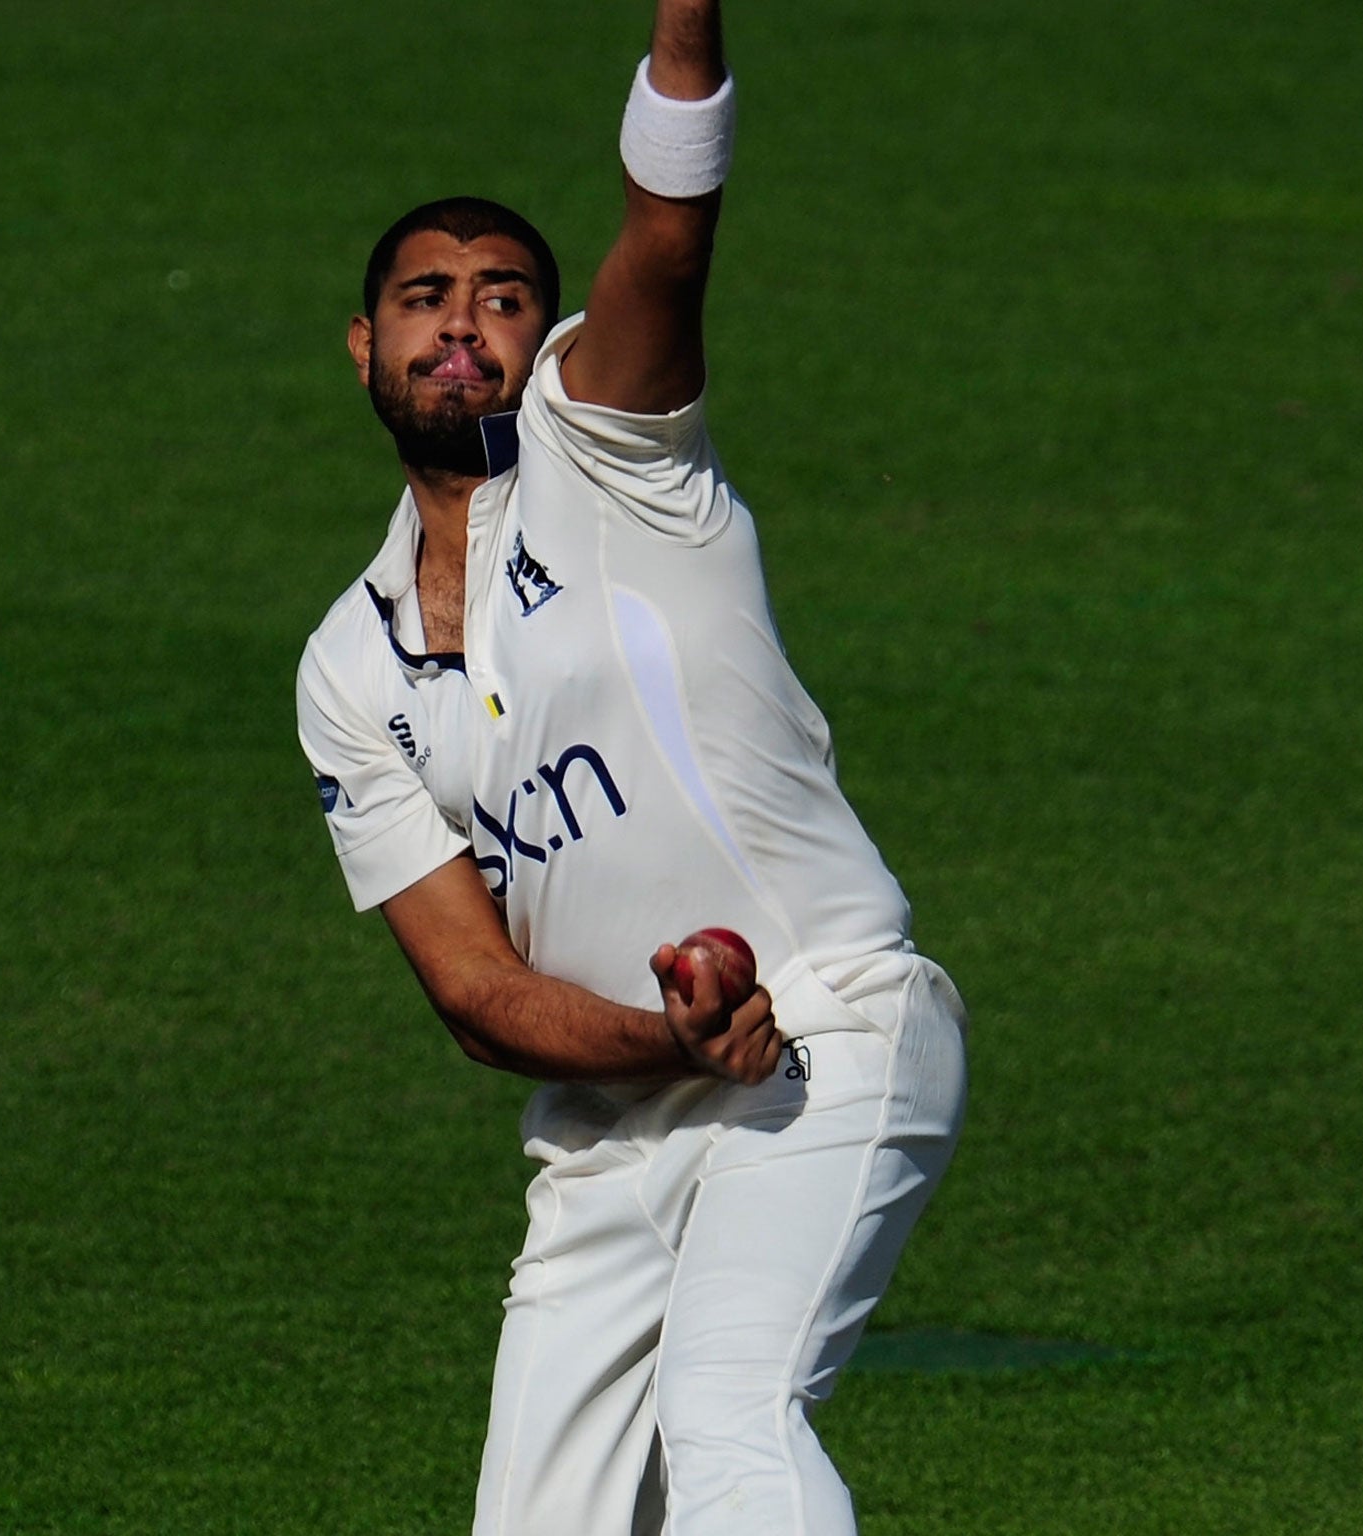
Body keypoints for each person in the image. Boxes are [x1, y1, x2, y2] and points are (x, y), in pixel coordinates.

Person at [294, 3, 967, 1531]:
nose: (462, 322)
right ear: (366, 345)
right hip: (611, 1130)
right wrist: (664, 1044)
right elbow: (474, 997)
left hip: (826, 1031)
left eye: (504, 297)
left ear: (548, 340)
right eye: (423, 297)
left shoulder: (615, 450)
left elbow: (668, 233)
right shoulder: (348, 665)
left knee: (729, 1412)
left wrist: (683, 30)